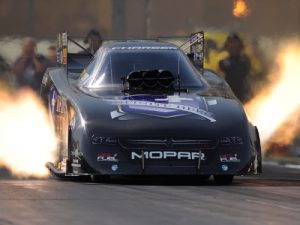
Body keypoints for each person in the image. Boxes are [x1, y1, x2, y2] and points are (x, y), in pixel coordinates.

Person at [219, 33, 251, 103]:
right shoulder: (223, 61)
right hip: (229, 95)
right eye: (230, 43)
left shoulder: (245, 60)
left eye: (235, 43)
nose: (232, 46)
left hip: (243, 94)